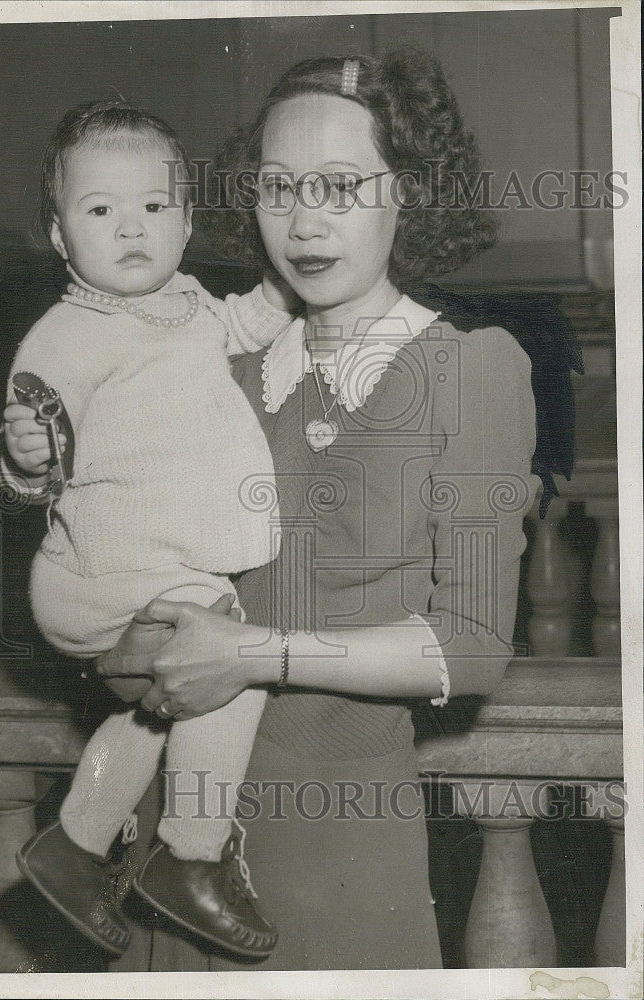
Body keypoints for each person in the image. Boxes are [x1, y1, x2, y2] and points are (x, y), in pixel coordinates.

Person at [96, 49, 542, 971]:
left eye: (340, 186)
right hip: (171, 835)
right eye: (277, 187)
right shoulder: (216, 370)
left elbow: (471, 646)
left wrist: (249, 654)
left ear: (408, 194)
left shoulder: (467, 370)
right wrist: (128, 641)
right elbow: (124, 632)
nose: (303, 222)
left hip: (337, 844)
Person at [0, 100, 297, 960]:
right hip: (105, 568)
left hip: (149, 570)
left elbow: (242, 324)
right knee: (227, 663)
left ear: (188, 221)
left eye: (154, 208)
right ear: (59, 236)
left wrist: (288, 279)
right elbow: (35, 456)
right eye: (100, 210)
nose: (131, 228)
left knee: (168, 703)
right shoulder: (65, 336)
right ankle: (192, 856)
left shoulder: (188, 304)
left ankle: (78, 842)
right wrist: (28, 451)